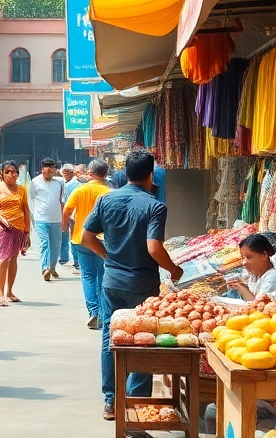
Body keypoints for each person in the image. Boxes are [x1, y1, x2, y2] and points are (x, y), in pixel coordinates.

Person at [81, 149, 182, 421]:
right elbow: (154, 247)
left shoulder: (106, 200)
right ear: (151, 175)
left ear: (126, 172)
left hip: (112, 281)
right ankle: (135, 403)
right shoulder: (154, 205)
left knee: (110, 337)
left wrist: (107, 257)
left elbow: (86, 236)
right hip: (141, 285)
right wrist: (173, 269)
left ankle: (111, 401)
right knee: (142, 341)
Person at [65, 159, 113, 328]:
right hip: (102, 240)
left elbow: (67, 210)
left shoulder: (80, 190)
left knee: (87, 275)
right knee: (102, 275)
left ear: (91, 173)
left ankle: (93, 311)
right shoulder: (109, 191)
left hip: (81, 239)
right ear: (105, 174)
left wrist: (65, 225)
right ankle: (100, 312)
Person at [0, 161, 30, 306]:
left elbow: (26, 210)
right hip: (2, 228)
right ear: (2, 174)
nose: (12, 175)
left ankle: (10, 291)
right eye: (8, 172)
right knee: (3, 259)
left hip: (19, 228)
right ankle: (1, 294)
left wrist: (27, 232)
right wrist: (1, 220)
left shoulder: (22, 190)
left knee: (14, 258)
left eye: (14, 172)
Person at [30, 158, 66, 281]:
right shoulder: (35, 182)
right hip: (41, 218)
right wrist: (34, 215)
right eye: (47, 167)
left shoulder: (60, 182)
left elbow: (63, 200)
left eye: (52, 167)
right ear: (42, 169)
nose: (50, 170)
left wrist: (64, 219)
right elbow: (31, 199)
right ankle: (45, 268)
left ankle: (52, 267)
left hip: (56, 218)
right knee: (45, 243)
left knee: (56, 245)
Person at [229, 233, 276, 301]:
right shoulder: (255, 275)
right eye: (242, 258)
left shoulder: (273, 277)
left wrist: (243, 289)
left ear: (263, 255)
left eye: (249, 257)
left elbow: (260, 307)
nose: (244, 263)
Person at [58, 164, 77, 266]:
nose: (66, 173)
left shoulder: (77, 184)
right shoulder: (60, 183)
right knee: (64, 235)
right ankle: (64, 257)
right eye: (65, 171)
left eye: (69, 171)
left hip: (73, 213)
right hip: (63, 212)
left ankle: (76, 261)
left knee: (74, 237)